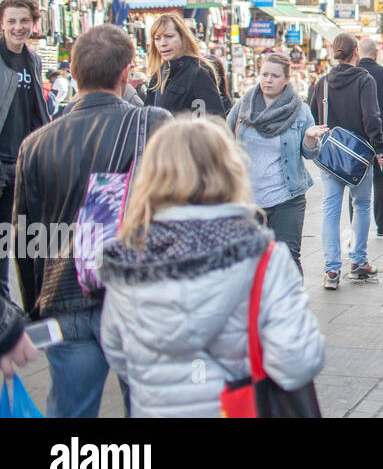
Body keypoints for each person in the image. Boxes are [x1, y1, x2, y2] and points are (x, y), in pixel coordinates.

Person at [99, 119, 326, 417]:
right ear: (229, 170)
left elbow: (117, 354)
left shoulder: (127, 259)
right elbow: (298, 362)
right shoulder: (262, 257)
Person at [12, 24, 171, 417]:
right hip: (138, 296)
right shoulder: (154, 124)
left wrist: (36, 305)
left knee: (70, 417)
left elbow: (26, 238)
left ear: (73, 71)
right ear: (125, 73)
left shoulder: (35, 144)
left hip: (66, 299)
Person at [227, 52, 329, 273]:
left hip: (287, 198)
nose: (267, 80)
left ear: (286, 79)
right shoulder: (244, 105)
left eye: (274, 76)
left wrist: (310, 139)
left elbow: (310, 154)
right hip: (248, 199)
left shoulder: (300, 111)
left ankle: (291, 307)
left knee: (288, 261)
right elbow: (225, 138)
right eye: (264, 74)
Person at [308, 33, 383, 289]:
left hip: (329, 156)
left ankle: (331, 270)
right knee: (361, 205)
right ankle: (358, 260)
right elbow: (372, 118)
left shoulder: (323, 82)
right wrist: (380, 147)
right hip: (358, 157)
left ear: (333, 52)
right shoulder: (365, 79)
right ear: (355, 53)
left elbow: (312, 116)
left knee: (331, 209)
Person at [0, 0, 51, 300]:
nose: (18, 27)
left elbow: (36, 111)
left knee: (11, 236)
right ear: (2, 24)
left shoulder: (32, 60)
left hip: (19, 162)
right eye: (11, 21)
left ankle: (5, 303)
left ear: (33, 24)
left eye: (24, 21)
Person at [142, 14, 224, 117]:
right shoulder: (158, 76)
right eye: (157, 38)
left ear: (183, 37)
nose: (163, 43)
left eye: (169, 36)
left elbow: (213, 119)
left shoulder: (198, 72)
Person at [358, 37, 383, 237]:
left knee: (355, 180)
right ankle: (382, 222)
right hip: (379, 133)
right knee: (379, 177)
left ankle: (356, 222)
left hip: (355, 135)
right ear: (376, 53)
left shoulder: (352, 73)